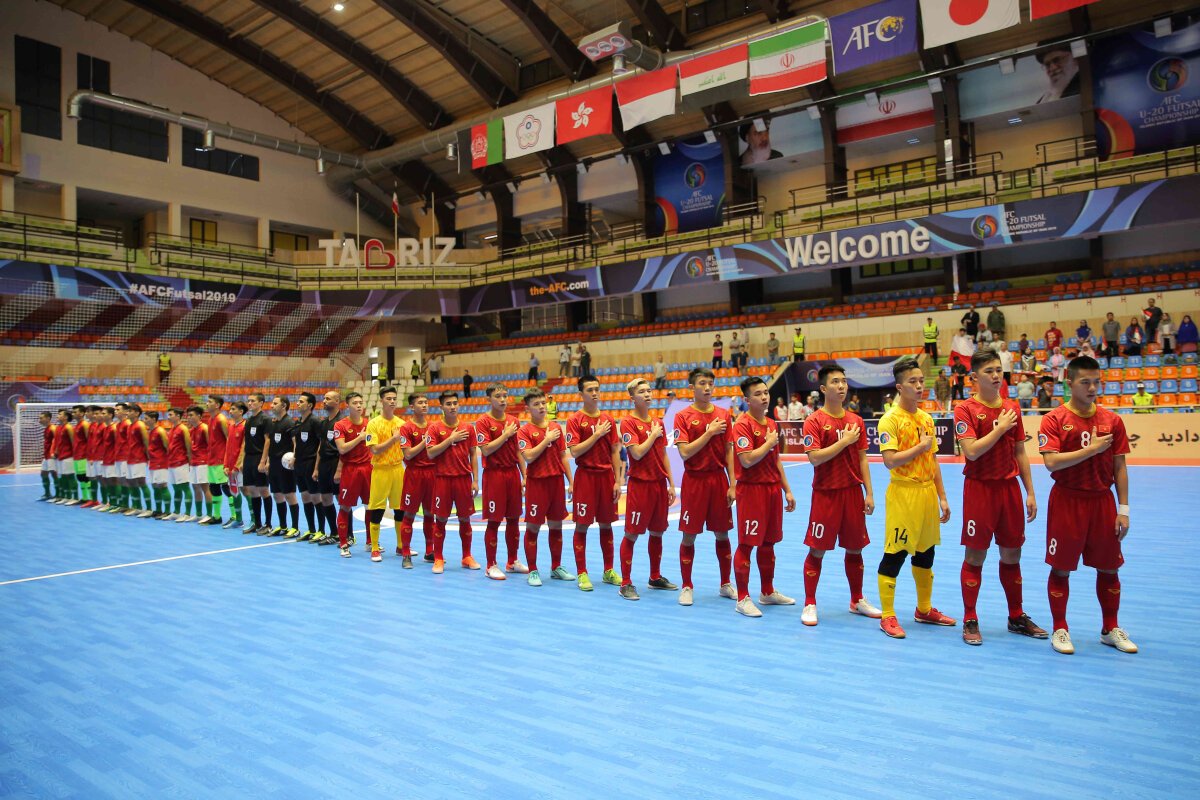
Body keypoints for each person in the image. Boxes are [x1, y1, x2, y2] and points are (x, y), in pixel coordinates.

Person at [1038, 355, 1135, 655]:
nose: (1092, 388)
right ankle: (1060, 628)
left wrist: (1124, 509)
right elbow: (1051, 462)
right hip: (1067, 501)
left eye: (1096, 382)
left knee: (1109, 567)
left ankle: (1110, 628)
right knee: (1061, 568)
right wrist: (1091, 450)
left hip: (1102, 502)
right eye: (1085, 382)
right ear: (1069, 383)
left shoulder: (1112, 420)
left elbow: (1120, 467)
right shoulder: (1053, 419)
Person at [955, 350, 1046, 646]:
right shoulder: (965, 409)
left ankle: (1016, 616)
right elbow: (971, 451)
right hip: (980, 490)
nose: (996, 376)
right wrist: (1000, 428)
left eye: (999, 370)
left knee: (1012, 554)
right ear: (974, 377)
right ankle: (970, 618)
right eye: (989, 371)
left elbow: (1020, 451)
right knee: (975, 555)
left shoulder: (1011, 407)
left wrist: (1030, 491)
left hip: (1009, 490)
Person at [876, 358, 956, 639]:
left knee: (926, 552)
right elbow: (890, 460)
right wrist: (921, 446)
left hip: (927, 493)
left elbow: (932, 459)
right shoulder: (889, 420)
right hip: (903, 494)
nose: (920, 386)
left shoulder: (926, 419)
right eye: (913, 381)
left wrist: (942, 497)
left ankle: (924, 609)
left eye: (921, 380)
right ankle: (887, 615)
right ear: (900, 387)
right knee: (895, 553)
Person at [799, 365, 880, 626]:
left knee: (855, 548)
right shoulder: (813, 421)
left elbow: (863, 458)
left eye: (844, 381)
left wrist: (869, 492)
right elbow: (814, 458)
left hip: (853, 493)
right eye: (835, 381)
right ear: (824, 388)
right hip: (826, 495)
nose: (842, 386)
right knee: (817, 549)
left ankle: (857, 600)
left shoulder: (856, 421)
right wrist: (843, 441)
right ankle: (810, 602)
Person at [729, 377, 797, 617]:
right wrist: (768, 443)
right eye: (758, 394)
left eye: (766, 392)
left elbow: (775, 459)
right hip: (751, 491)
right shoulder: (742, 425)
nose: (764, 397)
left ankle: (767, 592)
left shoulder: (771, 423)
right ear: (747, 400)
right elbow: (747, 460)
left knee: (769, 542)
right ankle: (742, 598)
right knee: (747, 544)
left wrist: (787, 489)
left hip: (772, 490)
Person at [674, 367, 737, 606]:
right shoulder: (682, 416)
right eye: (702, 383)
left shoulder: (723, 414)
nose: (708, 387)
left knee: (723, 533)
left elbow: (729, 450)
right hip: (694, 481)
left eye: (710, 383)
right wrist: (709, 433)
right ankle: (687, 585)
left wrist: (733, 483)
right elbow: (685, 452)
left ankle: (725, 583)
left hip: (719, 480)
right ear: (692, 387)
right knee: (689, 535)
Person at [617, 379, 678, 600]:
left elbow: (663, 454)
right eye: (641, 391)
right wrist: (652, 435)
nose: (647, 394)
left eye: (649, 390)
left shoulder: (658, 422)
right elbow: (636, 453)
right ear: (632, 398)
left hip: (659, 485)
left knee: (657, 531)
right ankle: (625, 583)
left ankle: (655, 577)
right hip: (640, 486)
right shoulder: (627, 423)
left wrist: (671, 483)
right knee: (632, 533)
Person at [566, 374, 622, 592]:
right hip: (586, 477)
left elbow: (615, 451)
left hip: (606, 478)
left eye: (597, 389)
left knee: (606, 524)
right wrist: (596, 434)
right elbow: (575, 451)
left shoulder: (608, 419)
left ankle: (608, 571)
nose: (595, 393)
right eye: (590, 390)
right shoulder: (574, 420)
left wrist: (617, 480)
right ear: (581, 394)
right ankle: (582, 573)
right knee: (582, 525)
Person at [515, 388, 572, 586]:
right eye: (536, 404)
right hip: (537, 484)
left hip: (556, 483)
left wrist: (571, 481)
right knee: (533, 527)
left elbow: (563, 456)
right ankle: (533, 570)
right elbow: (529, 456)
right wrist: (547, 439)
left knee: (556, 525)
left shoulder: (556, 427)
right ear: (527, 408)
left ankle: (556, 567)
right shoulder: (524, 431)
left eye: (543, 403)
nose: (541, 407)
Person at [476, 383, 528, 579]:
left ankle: (512, 561)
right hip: (494, 475)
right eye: (498, 396)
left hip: (512, 474)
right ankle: (491, 565)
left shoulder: (514, 421)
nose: (503, 399)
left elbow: (518, 451)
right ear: (489, 399)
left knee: (514, 519)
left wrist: (525, 475)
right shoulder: (482, 422)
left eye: (505, 395)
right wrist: (505, 435)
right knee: (494, 521)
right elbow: (486, 449)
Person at [425, 390, 480, 570]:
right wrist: (450, 439)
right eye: (448, 404)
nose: (452, 407)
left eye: (455, 403)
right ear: (441, 407)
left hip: (463, 479)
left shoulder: (468, 428)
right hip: (443, 480)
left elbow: (473, 454)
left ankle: (467, 556)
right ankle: (438, 558)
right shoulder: (434, 428)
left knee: (465, 519)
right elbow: (430, 453)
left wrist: (475, 480)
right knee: (441, 519)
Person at [395, 392, 437, 568]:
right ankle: (406, 553)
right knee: (409, 514)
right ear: (412, 407)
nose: (424, 405)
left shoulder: (434, 426)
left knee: (430, 514)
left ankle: (430, 551)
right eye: (420, 403)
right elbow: (408, 454)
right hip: (414, 475)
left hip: (432, 474)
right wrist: (425, 442)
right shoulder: (405, 428)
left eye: (426, 402)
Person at [365, 386, 406, 563]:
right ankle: (375, 548)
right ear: (381, 400)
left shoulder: (402, 423)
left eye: (394, 398)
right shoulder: (373, 424)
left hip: (398, 469)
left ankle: (401, 546)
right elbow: (374, 450)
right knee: (377, 509)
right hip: (381, 470)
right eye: (388, 398)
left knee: (400, 509)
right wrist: (393, 439)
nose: (392, 401)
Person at [333, 392, 372, 559]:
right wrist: (359, 438)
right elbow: (342, 449)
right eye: (355, 402)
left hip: (368, 469)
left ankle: (370, 541)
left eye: (360, 402)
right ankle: (343, 544)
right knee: (345, 507)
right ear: (347, 405)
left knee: (370, 506)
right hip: (350, 470)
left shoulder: (370, 423)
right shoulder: (340, 425)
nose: (359, 405)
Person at [258, 396, 299, 537]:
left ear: (284, 406)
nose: (271, 405)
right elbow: (272, 445)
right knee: (277, 495)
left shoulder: (289, 422)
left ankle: (295, 528)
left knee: (289, 495)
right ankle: (283, 526)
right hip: (274, 464)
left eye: (275, 403)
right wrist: (268, 462)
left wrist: (294, 458)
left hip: (286, 465)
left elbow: (295, 442)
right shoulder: (273, 423)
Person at [308, 390, 344, 543]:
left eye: (328, 399)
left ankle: (348, 535)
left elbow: (344, 450)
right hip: (324, 464)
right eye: (324, 398)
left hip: (336, 462)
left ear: (337, 401)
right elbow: (320, 446)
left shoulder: (342, 422)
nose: (324, 401)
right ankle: (334, 533)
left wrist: (339, 470)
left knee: (342, 500)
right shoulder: (323, 423)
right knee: (325, 498)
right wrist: (316, 468)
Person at [239, 393, 273, 534]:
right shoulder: (248, 420)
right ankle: (257, 523)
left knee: (263, 490)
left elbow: (268, 441)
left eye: (253, 401)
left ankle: (268, 524)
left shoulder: (265, 419)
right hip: (249, 458)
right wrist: (243, 460)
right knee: (252, 491)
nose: (250, 403)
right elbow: (246, 442)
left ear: (261, 403)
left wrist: (263, 461)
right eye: (248, 401)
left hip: (259, 457)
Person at [291, 392, 323, 538]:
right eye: (298, 401)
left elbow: (321, 443)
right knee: (305, 496)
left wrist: (316, 467)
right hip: (299, 464)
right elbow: (296, 443)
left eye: (301, 401)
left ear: (309, 405)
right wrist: (294, 457)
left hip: (311, 463)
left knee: (316, 497)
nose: (298, 403)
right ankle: (311, 529)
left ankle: (321, 530)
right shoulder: (298, 422)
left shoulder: (315, 421)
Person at [203, 396, 230, 527]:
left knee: (226, 487)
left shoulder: (221, 419)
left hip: (221, 459)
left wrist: (228, 459)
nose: (207, 404)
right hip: (212, 459)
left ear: (217, 405)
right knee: (213, 487)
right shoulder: (210, 419)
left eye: (210, 402)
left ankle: (235, 516)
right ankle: (217, 516)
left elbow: (229, 439)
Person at [221, 401, 247, 530]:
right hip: (230, 466)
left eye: (233, 409)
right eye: (230, 409)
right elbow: (228, 447)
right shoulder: (231, 426)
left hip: (239, 466)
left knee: (246, 491)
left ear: (241, 411)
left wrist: (237, 466)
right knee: (234, 492)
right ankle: (239, 519)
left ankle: (254, 520)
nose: (230, 411)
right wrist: (226, 465)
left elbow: (244, 447)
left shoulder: (245, 426)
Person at [164, 408, 193, 521]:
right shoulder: (172, 429)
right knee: (176, 488)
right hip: (172, 462)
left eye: (170, 415)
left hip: (181, 462)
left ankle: (187, 513)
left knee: (185, 487)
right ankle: (176, 512)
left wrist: (189, 461)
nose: (168, 417)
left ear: (177, 416)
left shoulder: (183, 429)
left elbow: (188, 445)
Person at [185, 406, 212, 524]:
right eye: (188, 416)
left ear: (199, 416)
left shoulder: (204, 428)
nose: (189, 418)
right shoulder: (191, 430)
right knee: (195, 487)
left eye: (191, 415)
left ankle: (210, 515)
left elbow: (210, 445)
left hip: (203, 462)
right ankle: (199, 514)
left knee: (205, 488)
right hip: (194, 462)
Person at [146, 411, 170, 517]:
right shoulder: (150, 431)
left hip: (160, 462)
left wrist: (165, 460)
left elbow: (167, 447)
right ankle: (158, 509)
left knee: (162, 485)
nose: (144, 421)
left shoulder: (160, 431)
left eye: (146, 418)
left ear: (153, 419)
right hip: (153, 462)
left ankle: (167, 511)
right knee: (155, 486)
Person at [37, 411, 57, 501]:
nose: (39, 420)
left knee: (54, 474)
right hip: (46, 455)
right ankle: (47, 493)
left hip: (51, 455)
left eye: (41, 418)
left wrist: (55, 452)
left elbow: (58, 440)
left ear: (48, 418)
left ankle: (58, 495)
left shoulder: (53, 428)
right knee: (43, 474)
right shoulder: (46, 429)